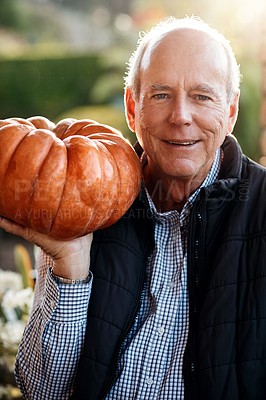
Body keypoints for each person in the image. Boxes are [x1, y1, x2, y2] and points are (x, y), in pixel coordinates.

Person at [0, 15, 265, 400]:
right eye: (160, 94)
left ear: (230, 113)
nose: (180, 116)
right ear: (131, 107)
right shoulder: (85, 201)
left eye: (202, 96)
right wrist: (70, 262)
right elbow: (44, 390)